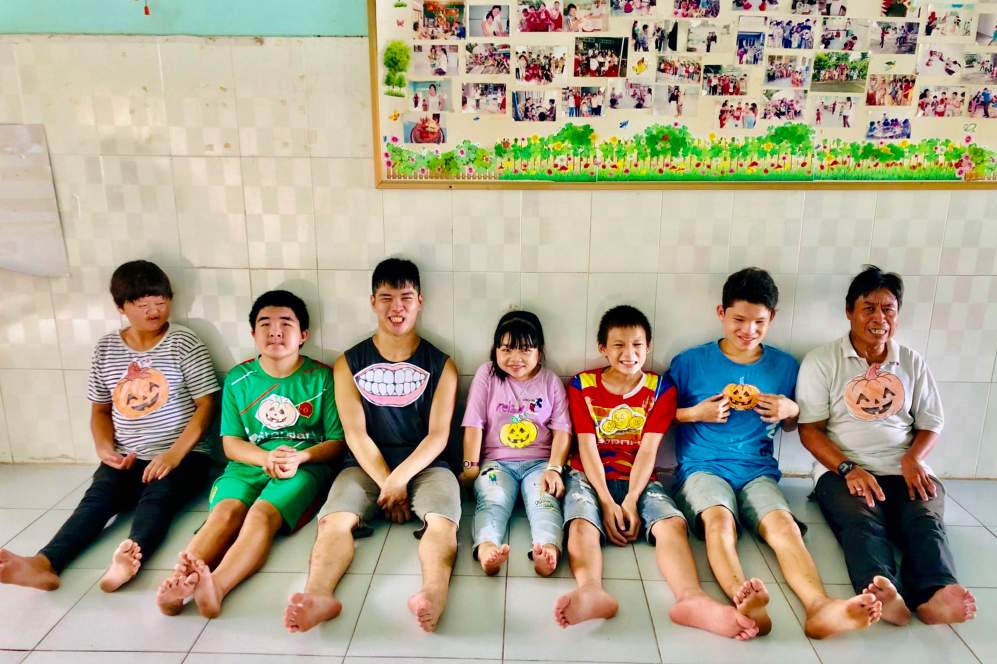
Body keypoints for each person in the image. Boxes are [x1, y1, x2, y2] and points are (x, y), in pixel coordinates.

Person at [669, 268, 882, 640]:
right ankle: (743, 601)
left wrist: (791, 410)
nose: (748, 331)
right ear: (721, 313)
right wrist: (694, 413)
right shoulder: (689, 362)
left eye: (759, 322)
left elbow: (791, 427)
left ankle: (819, 606)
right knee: (720, 523)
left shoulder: (785, 367)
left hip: (757, 470)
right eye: (738, 320)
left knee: (784, 526)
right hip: (702, 467)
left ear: (772, 319)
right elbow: (657, 417)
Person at [0, 261, 218, 593]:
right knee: (97, 500)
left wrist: (174, 455)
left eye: (160, 302)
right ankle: (45, 564)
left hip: (184, 455)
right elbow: (100, 410)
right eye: (142, 305)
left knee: (157, 499)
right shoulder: (106, 349)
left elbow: (207, 405)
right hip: (127, 456)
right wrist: (105, 450)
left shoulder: (183, 343)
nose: (153, 311)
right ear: (121, 307)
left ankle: (129, 561)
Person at [554, 306, 760, 641]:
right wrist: (607, 502)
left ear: (648, 346)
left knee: (672, 523)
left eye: (637, 344)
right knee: (579, 522)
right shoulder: (582, 384)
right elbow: (586, 447)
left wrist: (633, 500)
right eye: (618, 345)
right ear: (602, 347)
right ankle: (591, 591)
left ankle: (691, 599)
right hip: (587, 475)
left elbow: (649, 450)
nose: (629, 353)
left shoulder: (662, 389)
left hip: (641, 476)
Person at [284, 258, 460, 635]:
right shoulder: (347, 363)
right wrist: (387, 482)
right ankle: (317, 595)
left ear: (420, 301)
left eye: (406, 298)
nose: (397, 307)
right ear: (372, 302)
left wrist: (401, 479)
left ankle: (433, 594)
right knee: (333, 521)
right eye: (386, 297)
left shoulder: (442, 365)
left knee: (443, 523)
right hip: (364, 464)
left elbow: (438, 436)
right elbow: (355, 434)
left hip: (428, 464)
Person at [798, 266, 978, 627]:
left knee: (924, 520)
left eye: (888, 309)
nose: (879, 318)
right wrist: (849, 468)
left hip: (904, 465)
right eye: (869, 308)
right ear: (849, 311)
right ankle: (883, 592)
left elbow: (931, 422)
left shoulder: (911, 361)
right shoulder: (823, 361)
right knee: (862, 520)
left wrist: (913, 458)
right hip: (844, 469)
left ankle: (934, 594)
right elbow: (810, 430)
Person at [155, 290, 344, 618]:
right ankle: (178, 583)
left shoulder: (322, 378)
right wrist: (264, 459)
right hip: (247, 463)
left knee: (260, 515)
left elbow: (336, 442)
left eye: (286, 323)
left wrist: (299, 458)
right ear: (252, 334)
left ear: (303, 335)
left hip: (302, 467)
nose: (275, 331)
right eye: (265, 324)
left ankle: (218, 586)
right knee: (225, 513)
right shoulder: (238, 380)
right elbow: (231, 444)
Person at [459, 311, 571, 576]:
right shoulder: (487, 374)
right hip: (496, 463)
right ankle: (487, 548)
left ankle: (547, 550)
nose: (515, 358)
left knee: (544, 502)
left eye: (525, 350)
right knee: (492, 499)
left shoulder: (550, 381)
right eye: (506, 349)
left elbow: (563, 431)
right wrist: (471, 469)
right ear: (495, 349)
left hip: (540, 464)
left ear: (539, 352)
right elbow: (474, 424)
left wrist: (554, 468)